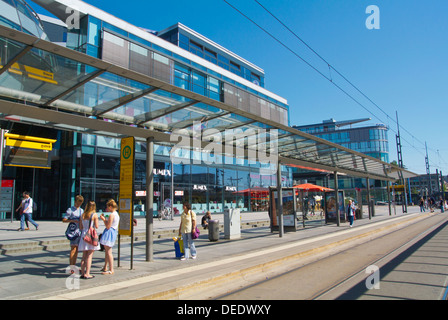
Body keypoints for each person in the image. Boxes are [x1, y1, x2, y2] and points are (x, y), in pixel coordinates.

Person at [78, 201, 100, 279]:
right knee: (89, 255)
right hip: (90, 235)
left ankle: (82, 273)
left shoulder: (82, 215)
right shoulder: (94, 215)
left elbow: (80, 227)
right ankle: (88, 273)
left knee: (84, 256)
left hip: (84, 235)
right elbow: (96, 226)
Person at [99, 199, 120, 275]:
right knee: (107, 251)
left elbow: (108, 226)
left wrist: (104, 219)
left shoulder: (112, 215)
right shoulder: (116, 214)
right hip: (113, 232)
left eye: (107, 207)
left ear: (111, 206)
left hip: (109, 232)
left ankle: (111, 269)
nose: (107, 209)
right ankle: (105, 266)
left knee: (108, 252)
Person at [62, 195, 84, 266]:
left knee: (77, 249)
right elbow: (64, 219)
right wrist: (72, 220)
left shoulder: (81, 210)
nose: (79, 204)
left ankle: (74, 265)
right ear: (75, 201)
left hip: (79, 231)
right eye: (78, 203)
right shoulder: (70, 210)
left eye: (80, 203)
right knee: (73, 248)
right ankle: (71, 265)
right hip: (73, 230)